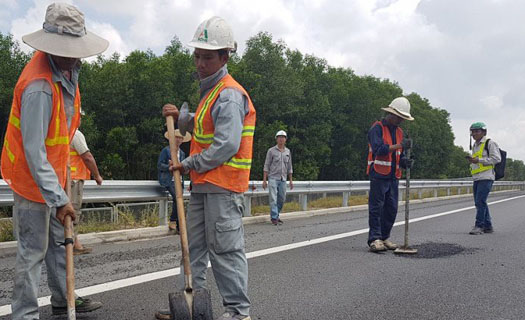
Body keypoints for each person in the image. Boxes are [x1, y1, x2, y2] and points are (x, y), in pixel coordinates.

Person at [0, 3, 107, 318]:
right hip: (31, 180)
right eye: (68, 50)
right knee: (32, 253)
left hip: (54, 175)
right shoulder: (39, 88)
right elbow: (34, 151)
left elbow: (60, 135)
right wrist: (60, 200)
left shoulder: (67, 70)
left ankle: (65, 298)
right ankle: (25, 314)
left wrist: (61, 193)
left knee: (63, 243)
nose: (75, 56)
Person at [157, 16, 255, 320]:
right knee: (193, 249)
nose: (200, 63)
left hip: (223, 188)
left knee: (225, 251)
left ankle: (238, 313)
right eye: (197, 55)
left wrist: (187, 164)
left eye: (208, 57)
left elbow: (225, 144)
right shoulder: (211, 92)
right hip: (203, 186)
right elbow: (203, 123)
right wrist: (181, 116)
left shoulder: (228, 93)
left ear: (224, 57)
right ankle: (191, 307)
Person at [366, 97, 414, 252]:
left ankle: (385, 237)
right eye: (399, 117)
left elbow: (397, 155)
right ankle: (375, 238)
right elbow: (379, 149)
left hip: (394, 176)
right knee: (377, 208)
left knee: (391, 208)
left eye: (403, 118)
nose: (401, 121)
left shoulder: (399, 132)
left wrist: (405, 162)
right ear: (392, 114)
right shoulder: (377, 128)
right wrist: (400, 145)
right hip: (379, 174)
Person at [70, 129, 103, 255]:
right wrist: (97, 175)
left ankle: (75, 244)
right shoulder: (74, 134)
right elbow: (87, 157)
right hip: (73, 180)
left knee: (65, 212)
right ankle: (70, 245)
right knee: (73, 212)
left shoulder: (56, 131)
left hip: (58, 178)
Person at [467, 122, 501, 235]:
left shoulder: (490, 143)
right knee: (480, 202)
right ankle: (488, 226)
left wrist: (479, 160)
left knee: (480, 201)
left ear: (483, 132)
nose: (474, 133)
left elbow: (496, 159)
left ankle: (479, 226)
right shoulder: (475, 145)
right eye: (472, 131)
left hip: (486, 176)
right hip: (477, 177)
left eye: (477, 131)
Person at [157, 129, 191, 233]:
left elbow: (183, 167)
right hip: (168, 180)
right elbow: (159, 165)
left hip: (179, 180)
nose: (179, 139)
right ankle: (173, 221)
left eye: (181, 138)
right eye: (177, 137)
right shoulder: (166, 151)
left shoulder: (182, 153)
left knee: (180, 200)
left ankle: (178, 226)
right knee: (177, 199)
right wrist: (169, 166)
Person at [262, 130, 293, 225]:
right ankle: (274, 217)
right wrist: (264, 180)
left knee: (281, 199)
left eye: (283, 137)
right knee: (273, 198)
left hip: (283, 179)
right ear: (276, 139)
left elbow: (289, 166)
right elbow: (266, 165)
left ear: (285, 140)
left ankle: (277, 214)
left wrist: (291, 180)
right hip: (272, 178)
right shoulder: (271, 151)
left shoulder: (288, 151)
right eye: (279, 137)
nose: (281, 139)